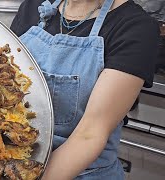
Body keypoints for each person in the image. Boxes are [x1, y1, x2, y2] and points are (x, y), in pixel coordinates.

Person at [10, 0, 160, 179]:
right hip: (13, 161)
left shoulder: (136, 27)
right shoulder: (34, 6)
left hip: (84, 173)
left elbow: (90, 134)